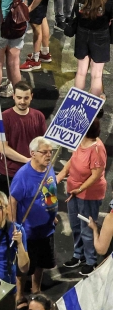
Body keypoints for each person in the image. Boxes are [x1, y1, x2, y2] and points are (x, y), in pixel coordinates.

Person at [56, 112, 105, 275]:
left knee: (87, 227)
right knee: (75, 224)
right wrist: (62, 173)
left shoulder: (97, 149)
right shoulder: (80, 142)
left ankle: (90, 260)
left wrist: (81, 188)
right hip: (74, 190)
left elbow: (96, 174)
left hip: (88, 194)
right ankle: (79, 255)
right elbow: (73, 159)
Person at [9, 137, 59, 299]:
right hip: (28, 232)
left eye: (50, 152)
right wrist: (14, 226)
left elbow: (51, 191)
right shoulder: (23, 175)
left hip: (47, 228)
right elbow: (13, 200)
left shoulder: (49, 168)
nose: (48, 155)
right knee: (24, 266)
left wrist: (53, 214)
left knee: (41, 263)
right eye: (44, 152)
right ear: (33, 154)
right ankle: (19, 294)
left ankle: (35, 290)